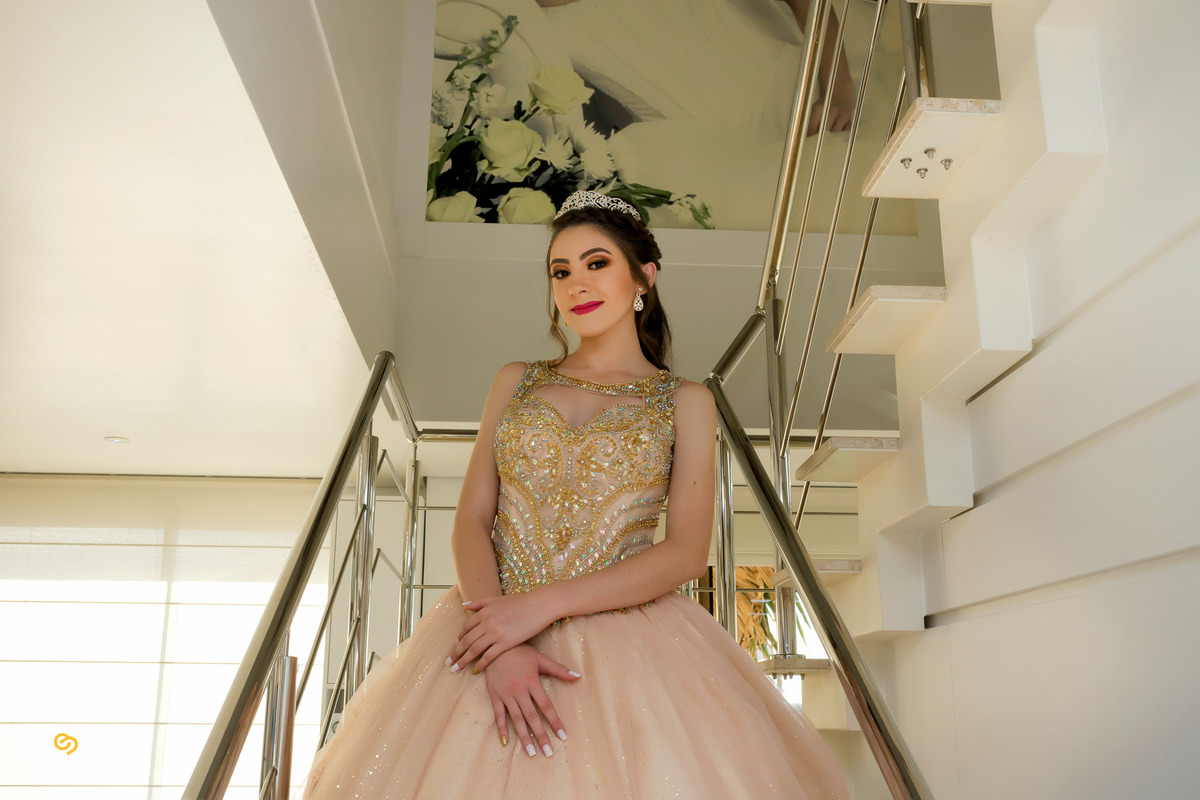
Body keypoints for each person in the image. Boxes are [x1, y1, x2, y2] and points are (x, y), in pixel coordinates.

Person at [298, 190, 851, 798]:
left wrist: (538, 609)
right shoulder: (515, 380)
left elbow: (687, 554)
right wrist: (500, 642)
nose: (575, 284)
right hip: (488, 619)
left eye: (597, 263)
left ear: (644, 277)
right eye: (560, 271)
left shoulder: (687, 401)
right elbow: (472, 519)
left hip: (628, 641)